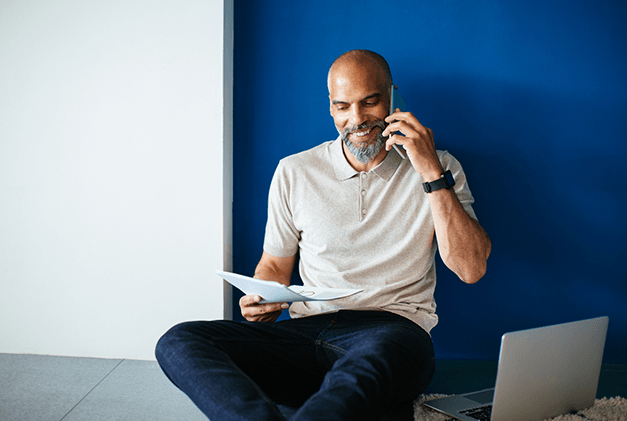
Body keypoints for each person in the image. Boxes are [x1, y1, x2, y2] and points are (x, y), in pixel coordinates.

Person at [155, 49, 491, 421]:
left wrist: (429, 171)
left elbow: (471, 268)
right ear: (330, 109)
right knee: (179, 341)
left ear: (393, 99)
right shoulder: (294, 171)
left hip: (392, 331)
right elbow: (274, 265)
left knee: (364, 370)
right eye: (343, 106)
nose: (357, 119)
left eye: (370, 102)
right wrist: (261, 297)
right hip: (305, 331)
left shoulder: (440, 167)